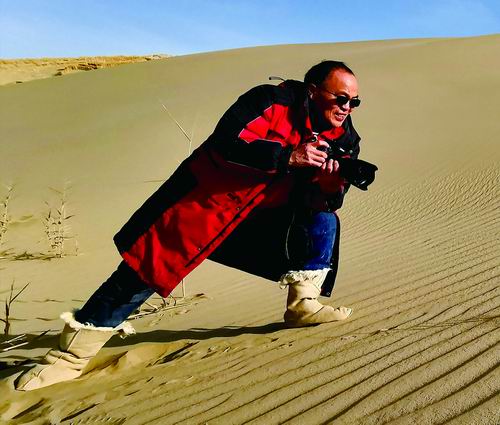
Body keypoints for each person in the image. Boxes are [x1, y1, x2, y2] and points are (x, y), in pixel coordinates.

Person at [15, 60, 363, 391]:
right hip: (202, 205)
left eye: (354, 102)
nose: (347, 108)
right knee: (143, 270)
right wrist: (287, 156)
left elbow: (326, 198)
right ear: (313, 90)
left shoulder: (345, 137)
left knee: (323, 220)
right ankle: (68, 358)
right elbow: (227, 144)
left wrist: (329, 187)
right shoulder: (269, 100)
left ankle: (303, 305)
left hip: (258, 220)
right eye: (341, 98)